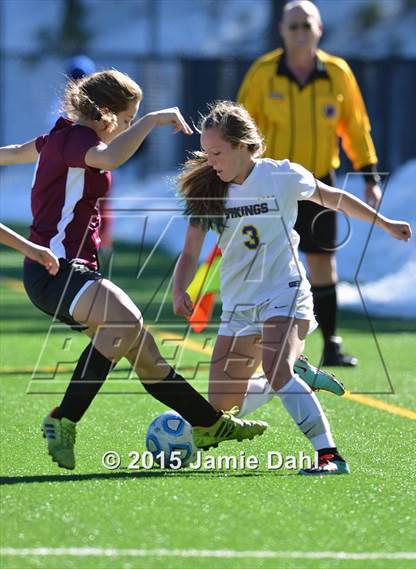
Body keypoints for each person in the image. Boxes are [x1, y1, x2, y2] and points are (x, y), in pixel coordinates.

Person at [0, 70, 267, 470]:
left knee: (147, 358)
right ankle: (64, 419)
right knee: (125, 323)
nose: (127, 128)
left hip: (64, 270)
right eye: (126, 119)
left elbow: (19, 149)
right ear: (105, 113)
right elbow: (110, 158)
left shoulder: (61, 138)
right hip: (56, 268)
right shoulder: (79, 140)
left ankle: (209, 424)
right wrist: (151, 121)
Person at [173, 101, 411, 474]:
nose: (211, 161)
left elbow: (335, 198)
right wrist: (179, 289)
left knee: (276, 368)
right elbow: (190, 252)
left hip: (284, 292)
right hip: (239, 305)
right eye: (206, 153)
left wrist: (384, 223)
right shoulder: (209, 189)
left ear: (242, 146)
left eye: (217, 153)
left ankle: (330, 457)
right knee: (221, 409)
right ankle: (295, 374)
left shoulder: (280, 176)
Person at [237, 0, 382, 366]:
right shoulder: (263, 72)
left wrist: (369, 174)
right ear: (282, 31)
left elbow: (355, 125)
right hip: (271, 186)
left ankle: (331, 343)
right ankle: (252, 343)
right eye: (293, 26)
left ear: (319, 29)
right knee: (264, 264)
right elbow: (238, 125)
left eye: (307, 25)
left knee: (322, 265)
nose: (300, 32)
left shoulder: (337, 73)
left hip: (319, 184)